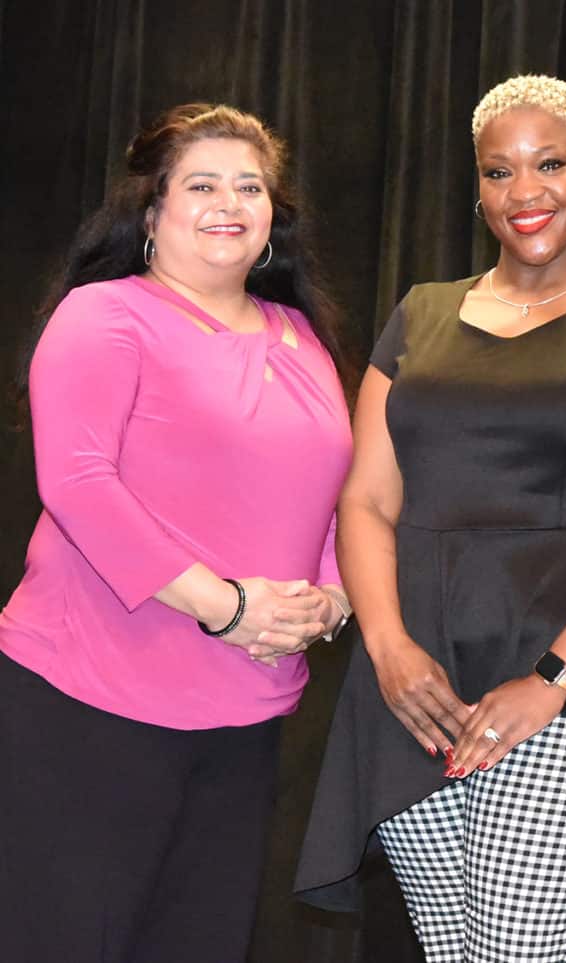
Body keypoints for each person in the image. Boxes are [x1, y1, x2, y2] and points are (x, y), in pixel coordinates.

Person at [296, 74, 566, 961]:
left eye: (550, 163)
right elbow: (367, 499)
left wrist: (553, 676)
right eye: (499, 172)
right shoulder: (421, 312)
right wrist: (390, 652)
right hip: (419, 697)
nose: (526, 193)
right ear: (476, 184)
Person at [0, 103, 355, 963]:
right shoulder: (104, 316)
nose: (228, 201)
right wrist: (225, 606)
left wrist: (332, 595)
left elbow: (333, 485)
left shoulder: (298, 332)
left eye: (250, 186)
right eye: (201, 184)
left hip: (245, 707)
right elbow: (79, 485)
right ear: (151, 210)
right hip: (93, 694)